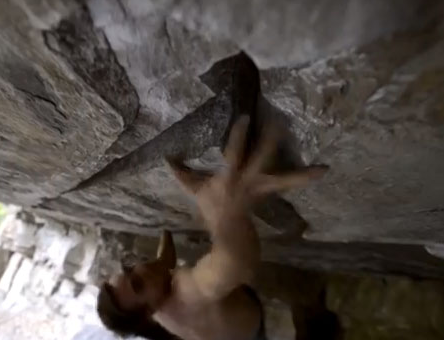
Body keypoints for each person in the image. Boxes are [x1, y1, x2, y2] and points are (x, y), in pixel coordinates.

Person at [97, 115, 328, 340]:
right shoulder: (188, 292)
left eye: (129, 270)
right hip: (253, 330)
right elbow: (233, 263)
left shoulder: (156, 304)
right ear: (148, 313)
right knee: (304, 325)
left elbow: (162, 266)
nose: (140, 268)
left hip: (236, 314)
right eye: (138, 284)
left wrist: (166, 230)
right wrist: (227, 214)